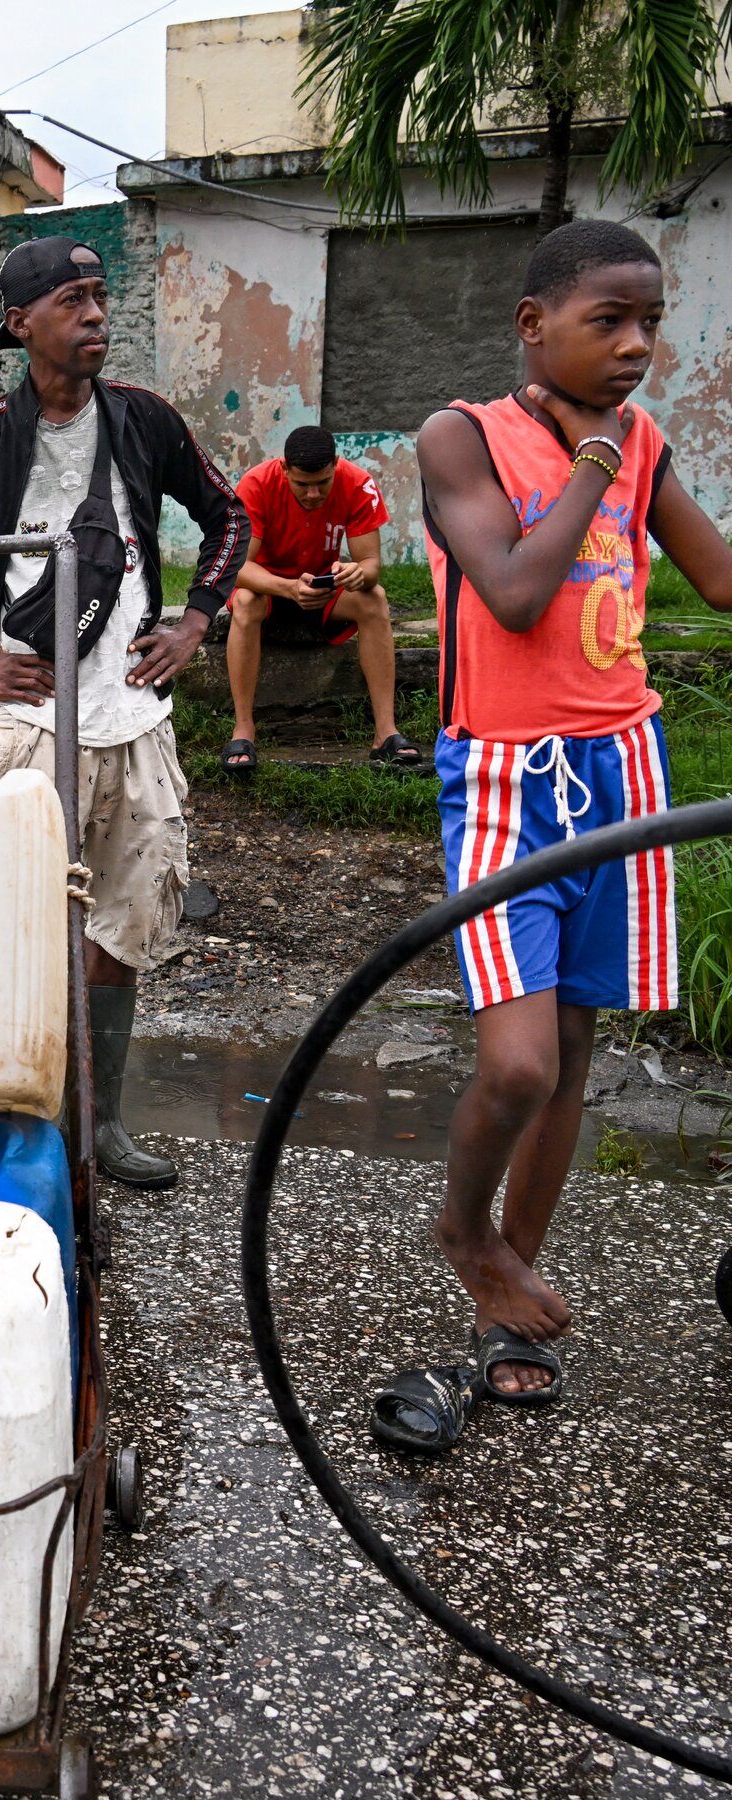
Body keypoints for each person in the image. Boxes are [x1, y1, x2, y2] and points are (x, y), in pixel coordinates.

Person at [371, 218, 732, 1456]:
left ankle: (507, 1311)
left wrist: (625, 457)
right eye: (607, 322)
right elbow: (515, 594)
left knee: (572, 1056)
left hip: (622, 766)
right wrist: (590, 462)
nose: (636, 347)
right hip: (508, 777)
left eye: (649, 323)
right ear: (535, 324)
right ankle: (467, 1233)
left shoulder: (646, 446)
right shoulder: (462, 437)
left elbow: (720, 580)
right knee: (517, 1062)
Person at [0, 235, 249, 1190]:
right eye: (74, 301)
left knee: (122, 927)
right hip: (29, 726)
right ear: (21, 325)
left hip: (137, 719)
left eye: (101, 297)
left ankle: (100, 1124)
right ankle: (19, 1120)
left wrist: (197, 620)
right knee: (19, 921)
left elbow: (228, 517)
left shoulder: (145, 420)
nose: (97, 316)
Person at [225, 426, 418, 771]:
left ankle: (385, 733)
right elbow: (237, 569)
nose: (313, 494)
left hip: (321, 587)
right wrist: (286, 588)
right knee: (244, 601)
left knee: (374, 598)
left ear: (336, 466)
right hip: (270, 588)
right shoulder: (256, 484)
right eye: (302, 485)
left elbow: (371, 564)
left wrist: (360, 573)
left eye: (322, 483)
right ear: (284, 468)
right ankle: (243, 730)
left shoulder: (357, 483)